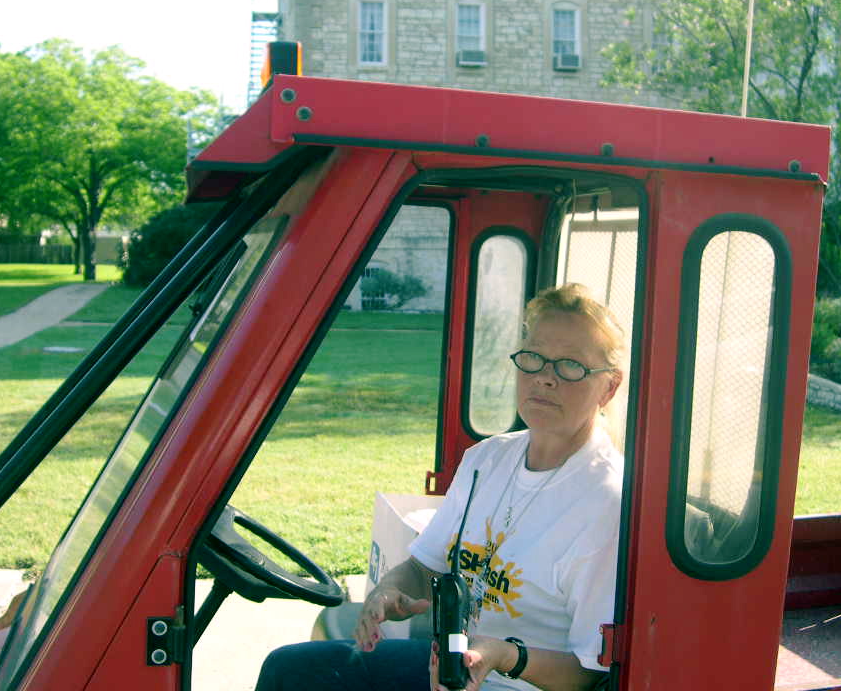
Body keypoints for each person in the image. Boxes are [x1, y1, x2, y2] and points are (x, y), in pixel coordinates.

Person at [256, 283, 625, 691]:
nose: (544, 378)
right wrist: (389, 591)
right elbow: (423, 567)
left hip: (516, 684)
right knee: (289, 671)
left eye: (570, 366)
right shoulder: (487, 459)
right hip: (451, 667)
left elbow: (590, 673)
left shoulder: (607, 501)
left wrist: (504, 655)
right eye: (533, 358)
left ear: (609, 387)